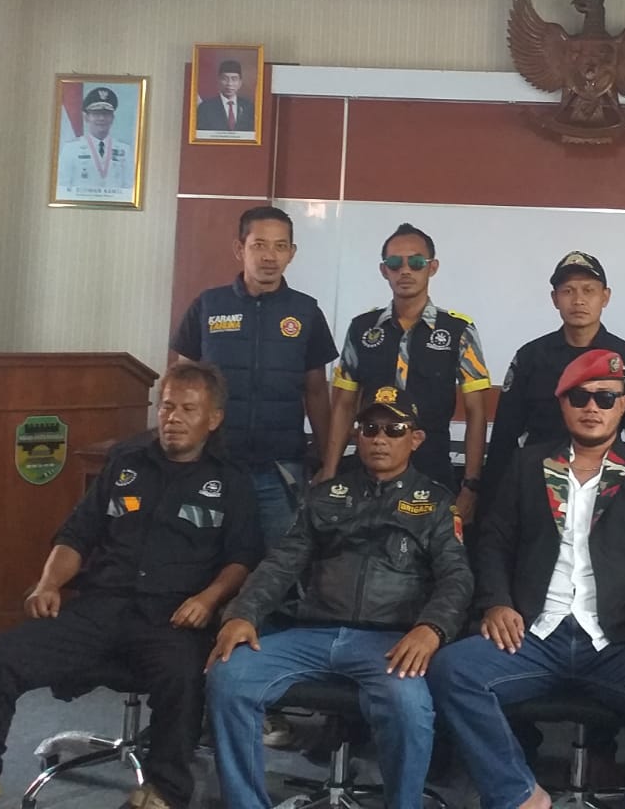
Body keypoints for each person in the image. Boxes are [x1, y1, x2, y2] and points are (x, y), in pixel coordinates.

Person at [0, 362, 261, 809]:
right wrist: (48, 584)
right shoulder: (125, 462)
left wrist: (208, 600)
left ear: (214, 419)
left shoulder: (232, 480)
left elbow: (242, 559)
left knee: (184, 678)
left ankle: (163, 793)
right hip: (99, 608)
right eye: (167, 406)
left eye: (188, 409)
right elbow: (77, 535)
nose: (173, 418)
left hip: (172, 617)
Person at [428, 350, 625, 809]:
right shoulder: (528, 464)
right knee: (451, 671)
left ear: (622, 405)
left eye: (605, 398)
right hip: (534, 634)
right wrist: (496, 602)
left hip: (619, 641)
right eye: (580, 397)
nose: (592, 407)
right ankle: (518, 792)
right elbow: (493, 542)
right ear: (562, 403)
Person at [205, 385, 473, 809]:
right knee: (229, 674)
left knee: (409, 706)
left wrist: (432, 628)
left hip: (390, 642)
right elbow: (280, 563)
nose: (380, 438)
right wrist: (243, 613)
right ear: (357, 435)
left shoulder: (438, 504)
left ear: (416, 439)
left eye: (394, 429)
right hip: (313, 632)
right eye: (369, 428)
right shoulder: (326, 495)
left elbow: (457, 578)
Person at [171, 205, 338, 544]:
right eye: (259, 245)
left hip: (280, 467)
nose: (269, 256)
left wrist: (326, 459)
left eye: (280, 246)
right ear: (240, 249)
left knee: (281, 561)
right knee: (202, 555)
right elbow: (179, 383)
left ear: (292, 253)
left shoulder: (306, 311)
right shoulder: (208, 305)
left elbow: (317, 391)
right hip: (212, 461)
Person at [320, 223, 491, 519]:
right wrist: (330, 470)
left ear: (432, 267)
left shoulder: (458, 330)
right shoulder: (362, 328)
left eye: (416, 262)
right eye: (395, 263)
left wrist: (471, 485)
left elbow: (477, 412)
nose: (405, 271)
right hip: (368, 468)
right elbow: (344, 405)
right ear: (383, 270)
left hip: (432, 467)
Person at [481, 250, 625, 510]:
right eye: (568, 291)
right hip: (537, 485)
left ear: (605, 297)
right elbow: (504, 436)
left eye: (588, 290)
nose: (578, 300)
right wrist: (490, 502)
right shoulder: (531, 357)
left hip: (606, 487)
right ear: (555, 299)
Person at [60, 85, 133, 194]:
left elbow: (130, 188)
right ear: (86, 118)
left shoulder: (125, 150)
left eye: (106, 114)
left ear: (112, 118)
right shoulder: (71, 149)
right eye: (96, 114)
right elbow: (62, 187)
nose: (101, 118)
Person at [195, 58, 256, 133]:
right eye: (225, 79)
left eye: (234, 79)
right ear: (218, 81)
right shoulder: (205, 107)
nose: (229, 84)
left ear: (240, 83)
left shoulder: (249, 107)